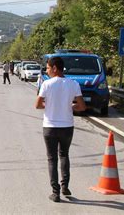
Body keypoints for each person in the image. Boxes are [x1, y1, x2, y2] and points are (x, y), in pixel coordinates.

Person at [35, 56, 86, 202]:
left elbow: (37, 105)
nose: (47, 70)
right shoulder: (73, 84)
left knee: (52, 159)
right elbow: (82, 106)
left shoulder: (47, 84)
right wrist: (70, 106)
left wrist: (49, 106)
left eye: (48, 68)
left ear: (55, 68)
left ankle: (55, 192)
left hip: (50, 127)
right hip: (67, 126)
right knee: (64, 155)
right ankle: (65, 186)